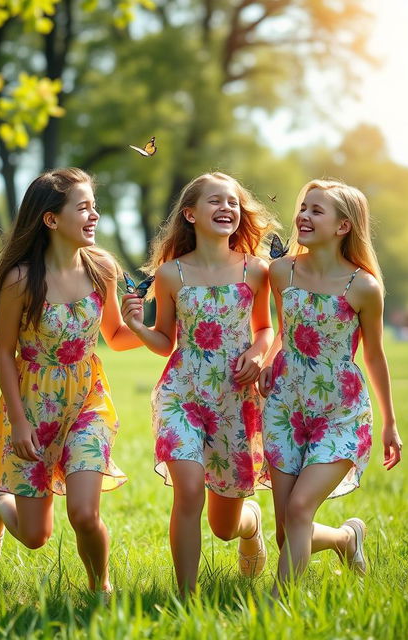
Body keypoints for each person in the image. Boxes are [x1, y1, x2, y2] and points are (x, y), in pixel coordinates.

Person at [0, 168, 141, 595]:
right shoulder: (22, 281)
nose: (94, 215)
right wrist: (20, 422)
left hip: (87, 400)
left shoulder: (102, 268)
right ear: (51, 219)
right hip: (33, 404)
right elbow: (4, 355)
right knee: (34, 537)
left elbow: (116, 337)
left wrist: (149, 328)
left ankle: (101, 590)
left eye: (95, 207)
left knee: (84, 513)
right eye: (83, 208)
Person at [121, 171, 278, 594]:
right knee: (188, 490)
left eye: (232, 201)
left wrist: (259, 353)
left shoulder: (257, 271)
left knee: (224, 528)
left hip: (235, 399)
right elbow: (164, 342)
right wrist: (137, 325)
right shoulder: (171, 275)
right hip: (183, 394)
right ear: (190, 214)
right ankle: (185, 598)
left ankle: (250, 525)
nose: (226, 208)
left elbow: (266, 329)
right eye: (215, 201)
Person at [259, 179, 402, 595]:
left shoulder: (363, 286)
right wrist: (269, 361)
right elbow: (287, 331)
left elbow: (374, 356)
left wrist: (390, 423)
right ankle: (344, 539)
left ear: (343, 226)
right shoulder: (281, 271)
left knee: (301, 509)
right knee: (288, 529)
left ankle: (276, 606)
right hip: (286, 407)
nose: (303, 215)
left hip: (340, 413)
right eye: (303, 207)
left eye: (316, 210)